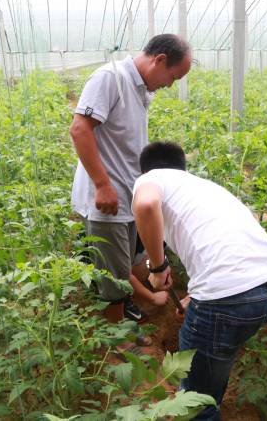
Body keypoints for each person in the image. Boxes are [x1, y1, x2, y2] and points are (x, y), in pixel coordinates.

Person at [132, 142, 267, 420]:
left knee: (194, 401)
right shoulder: (205, 187)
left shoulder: (150, 179)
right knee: (213, 368)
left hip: (229, 301)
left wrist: (158, 266)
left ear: (145, 170)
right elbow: (228, 249)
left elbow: (144, 204)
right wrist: (198, 297)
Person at [69, 35, 192, 323]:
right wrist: (102, 185)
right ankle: (117, 340)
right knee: (112, 277)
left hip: (127, 195)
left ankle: (127, 309)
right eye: (172, 77)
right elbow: (80, 129)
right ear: (159, 60)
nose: (170, 85)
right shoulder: (110, 78)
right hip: (108, 199)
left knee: (124, 263)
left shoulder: (141, 89)